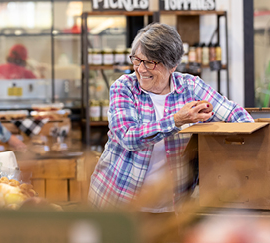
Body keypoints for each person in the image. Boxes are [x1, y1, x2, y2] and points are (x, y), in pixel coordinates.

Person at [88, 23, 254, 211]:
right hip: (118, 202)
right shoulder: (124, 87)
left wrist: (249, 153)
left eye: (150, 62)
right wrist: (176, 120)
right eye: (137, 60)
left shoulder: (190, 87)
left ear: (172, 65)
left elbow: (237, 116)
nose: (141, 69)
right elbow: (128, 137)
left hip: (170, 207)